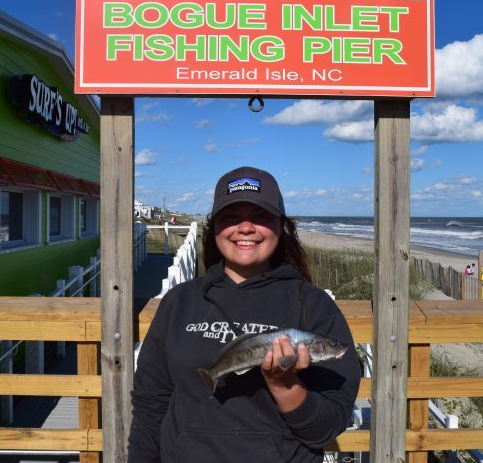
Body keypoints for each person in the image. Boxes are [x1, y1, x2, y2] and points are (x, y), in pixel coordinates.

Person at [128, 166, 361, 462]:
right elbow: (151, 404)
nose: (246, 228)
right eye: (231, 217)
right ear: (215, 228)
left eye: (260, 217)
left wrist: (286, 386)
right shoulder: (179, 302)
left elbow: (328, 428)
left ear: (281, 225)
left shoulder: (313, 306)